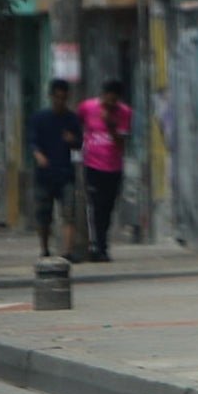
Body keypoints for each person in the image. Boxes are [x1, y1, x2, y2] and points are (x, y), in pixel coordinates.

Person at [77, 79, 132, 263]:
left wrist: (111, 125)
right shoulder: (87, 107)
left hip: (113, 167)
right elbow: (76, 126)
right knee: (95, 206)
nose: (111, 104)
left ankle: (101, 244)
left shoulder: (124, 113)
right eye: (108, 100)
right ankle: (96, 245)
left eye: (114, 101)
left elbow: (121, 143)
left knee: (107, 208)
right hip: (92, 165)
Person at [27, 79, 82, 260]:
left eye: (64, 98)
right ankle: (44, 249)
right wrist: (39, 156)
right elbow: (32, 142)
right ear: (51, 97)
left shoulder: (72, 119)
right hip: (45, 176)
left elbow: (79, 144)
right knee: (44, 215)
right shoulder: (40, 118)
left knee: (69, 213)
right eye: (57, 97)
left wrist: (72, 140)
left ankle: (67, 252)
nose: (60, 101)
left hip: (65, 174)